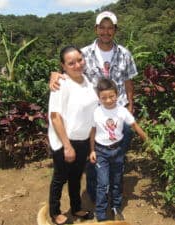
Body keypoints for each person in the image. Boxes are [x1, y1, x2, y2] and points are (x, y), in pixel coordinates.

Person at [49, 11, 138, 203]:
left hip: (119, 113)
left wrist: (130, 106)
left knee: (118, 159)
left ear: (115, 30)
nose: (106, 32)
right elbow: (70, 67)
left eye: (110, 28)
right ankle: (93, 194)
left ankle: (114, 195)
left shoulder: (125, 54)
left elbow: (129, 81)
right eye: (102, 27)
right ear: (96, 29)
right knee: (93, 158)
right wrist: (55, 74)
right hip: (95, 116)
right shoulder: (85, 53)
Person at [47, 45, 97, 225]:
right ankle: (54, 212)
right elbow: (55, 116)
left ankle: (76, 207)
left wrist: (90, 145)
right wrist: (67, 146)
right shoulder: (61, 84)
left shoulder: (88, 81)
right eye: (71, 63)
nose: (77, 65)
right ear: (63, 65)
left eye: (79, 60)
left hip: (83, 140)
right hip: (64, 141)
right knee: (60, 177)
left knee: (76, 177)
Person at [89, 78, 148, 222]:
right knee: (103, 184)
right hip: (101, 152)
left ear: (117, 94)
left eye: (111, 96)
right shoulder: (96, 112)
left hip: (117, 151)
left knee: (116, 182)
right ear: (99, 97)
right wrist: (92, 150)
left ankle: (116, 207)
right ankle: (101, 214)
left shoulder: (122, 111)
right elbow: (92, 132)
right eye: (104, 97)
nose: (108, 100)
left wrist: (148, 141)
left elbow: (135, 126)